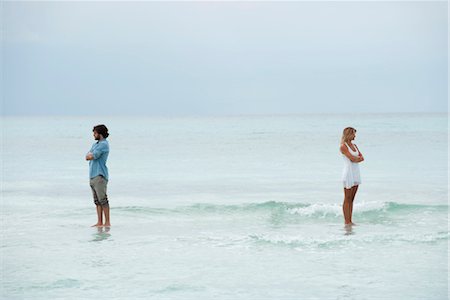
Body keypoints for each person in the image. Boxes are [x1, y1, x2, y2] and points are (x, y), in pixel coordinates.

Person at [86, 124, 111, 227]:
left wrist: (90, 155)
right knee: (97, 201)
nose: (93, 135)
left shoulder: (103, 144)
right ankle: (100, 222)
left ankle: (107, 222)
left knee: (103, 199)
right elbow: (88, 155)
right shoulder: (95, 144)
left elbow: (92, 156)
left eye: (95, 133)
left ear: (100, 134)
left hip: (100, 175)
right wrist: (90, 155)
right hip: (92, 174)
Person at [340, 127, 364, 226]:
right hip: (348, 173)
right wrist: (357, 158)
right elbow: (352, 158)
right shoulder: (343, 146)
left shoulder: (355, 146)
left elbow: (362, 157)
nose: (355, 136)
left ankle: (350, 220)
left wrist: (357, 158)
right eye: (354, 134)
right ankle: (347, 221)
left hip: (355, 173)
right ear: (349, 134)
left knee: (352, 198)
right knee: (347, 198)